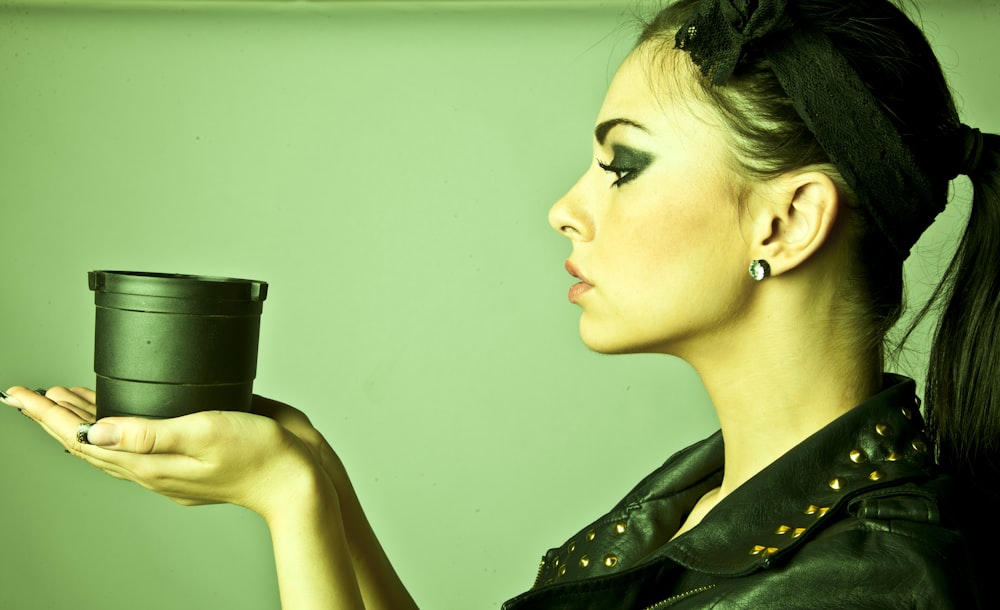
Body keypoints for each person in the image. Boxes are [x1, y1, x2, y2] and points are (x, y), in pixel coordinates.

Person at [3, 0, 996, 607]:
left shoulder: (866, 583)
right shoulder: (706, 496)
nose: (565, 207)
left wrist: (286, 501)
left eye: (623, 165)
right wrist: (313, 474)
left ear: (785, 222)